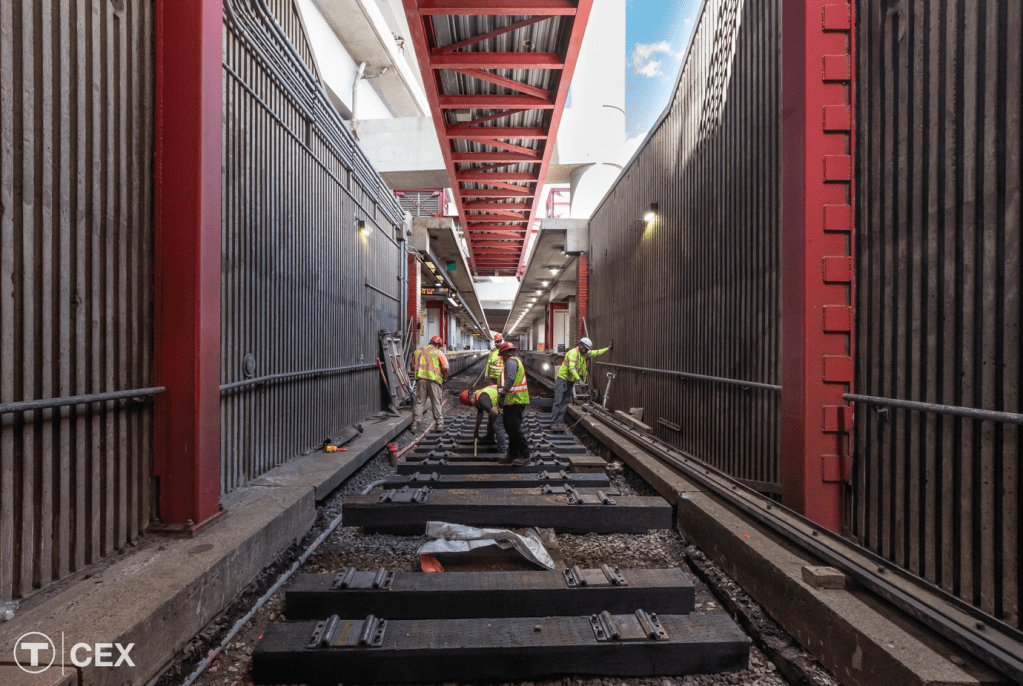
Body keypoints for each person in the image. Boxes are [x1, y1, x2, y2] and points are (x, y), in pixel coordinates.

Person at [549, 337, 613, 431]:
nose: (587, 351)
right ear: (581, 346)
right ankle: (553, 423)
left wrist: (608, 348)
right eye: (586, 348)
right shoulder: (573, 353)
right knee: (558, 401)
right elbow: (571, 368)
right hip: (562, 379)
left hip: (570, 381)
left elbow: (596, 352)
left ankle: (559, 422)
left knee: (565, 402)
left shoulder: (584, 353)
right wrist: (579, 380)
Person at [496, 341, 531, 465]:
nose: (502, 358)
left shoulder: (511, 362)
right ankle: (512, 454)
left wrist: (503, 395)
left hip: (515, 400)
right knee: (510, 429)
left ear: (506, 353)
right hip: (512, 401)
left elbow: (510, 379)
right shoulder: (514, 361)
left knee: (515, 429)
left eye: (502, 355)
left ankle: (525, 455)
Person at [412, 335, 450, 431]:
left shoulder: (418, 352)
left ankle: (414, 425)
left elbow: (413, 365)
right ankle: (439, 425)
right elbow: (446, 367)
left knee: (420, 402)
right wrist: (443, 375)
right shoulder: (438, 352)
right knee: (436, 402)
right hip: (434, 380)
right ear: (437, 344)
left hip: (420, 379)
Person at [459, 386, 507, 453]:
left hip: (509, 401)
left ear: (472, 398)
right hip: (502, 399)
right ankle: (490, 438)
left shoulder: (482, 400)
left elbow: (496, 414)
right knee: (491, 416)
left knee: (497, 425)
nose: (473, 406)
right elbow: (480, 415)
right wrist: (476, 429)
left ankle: (502, 449)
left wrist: (494, 420)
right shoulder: (477, 395)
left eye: (471, 404)